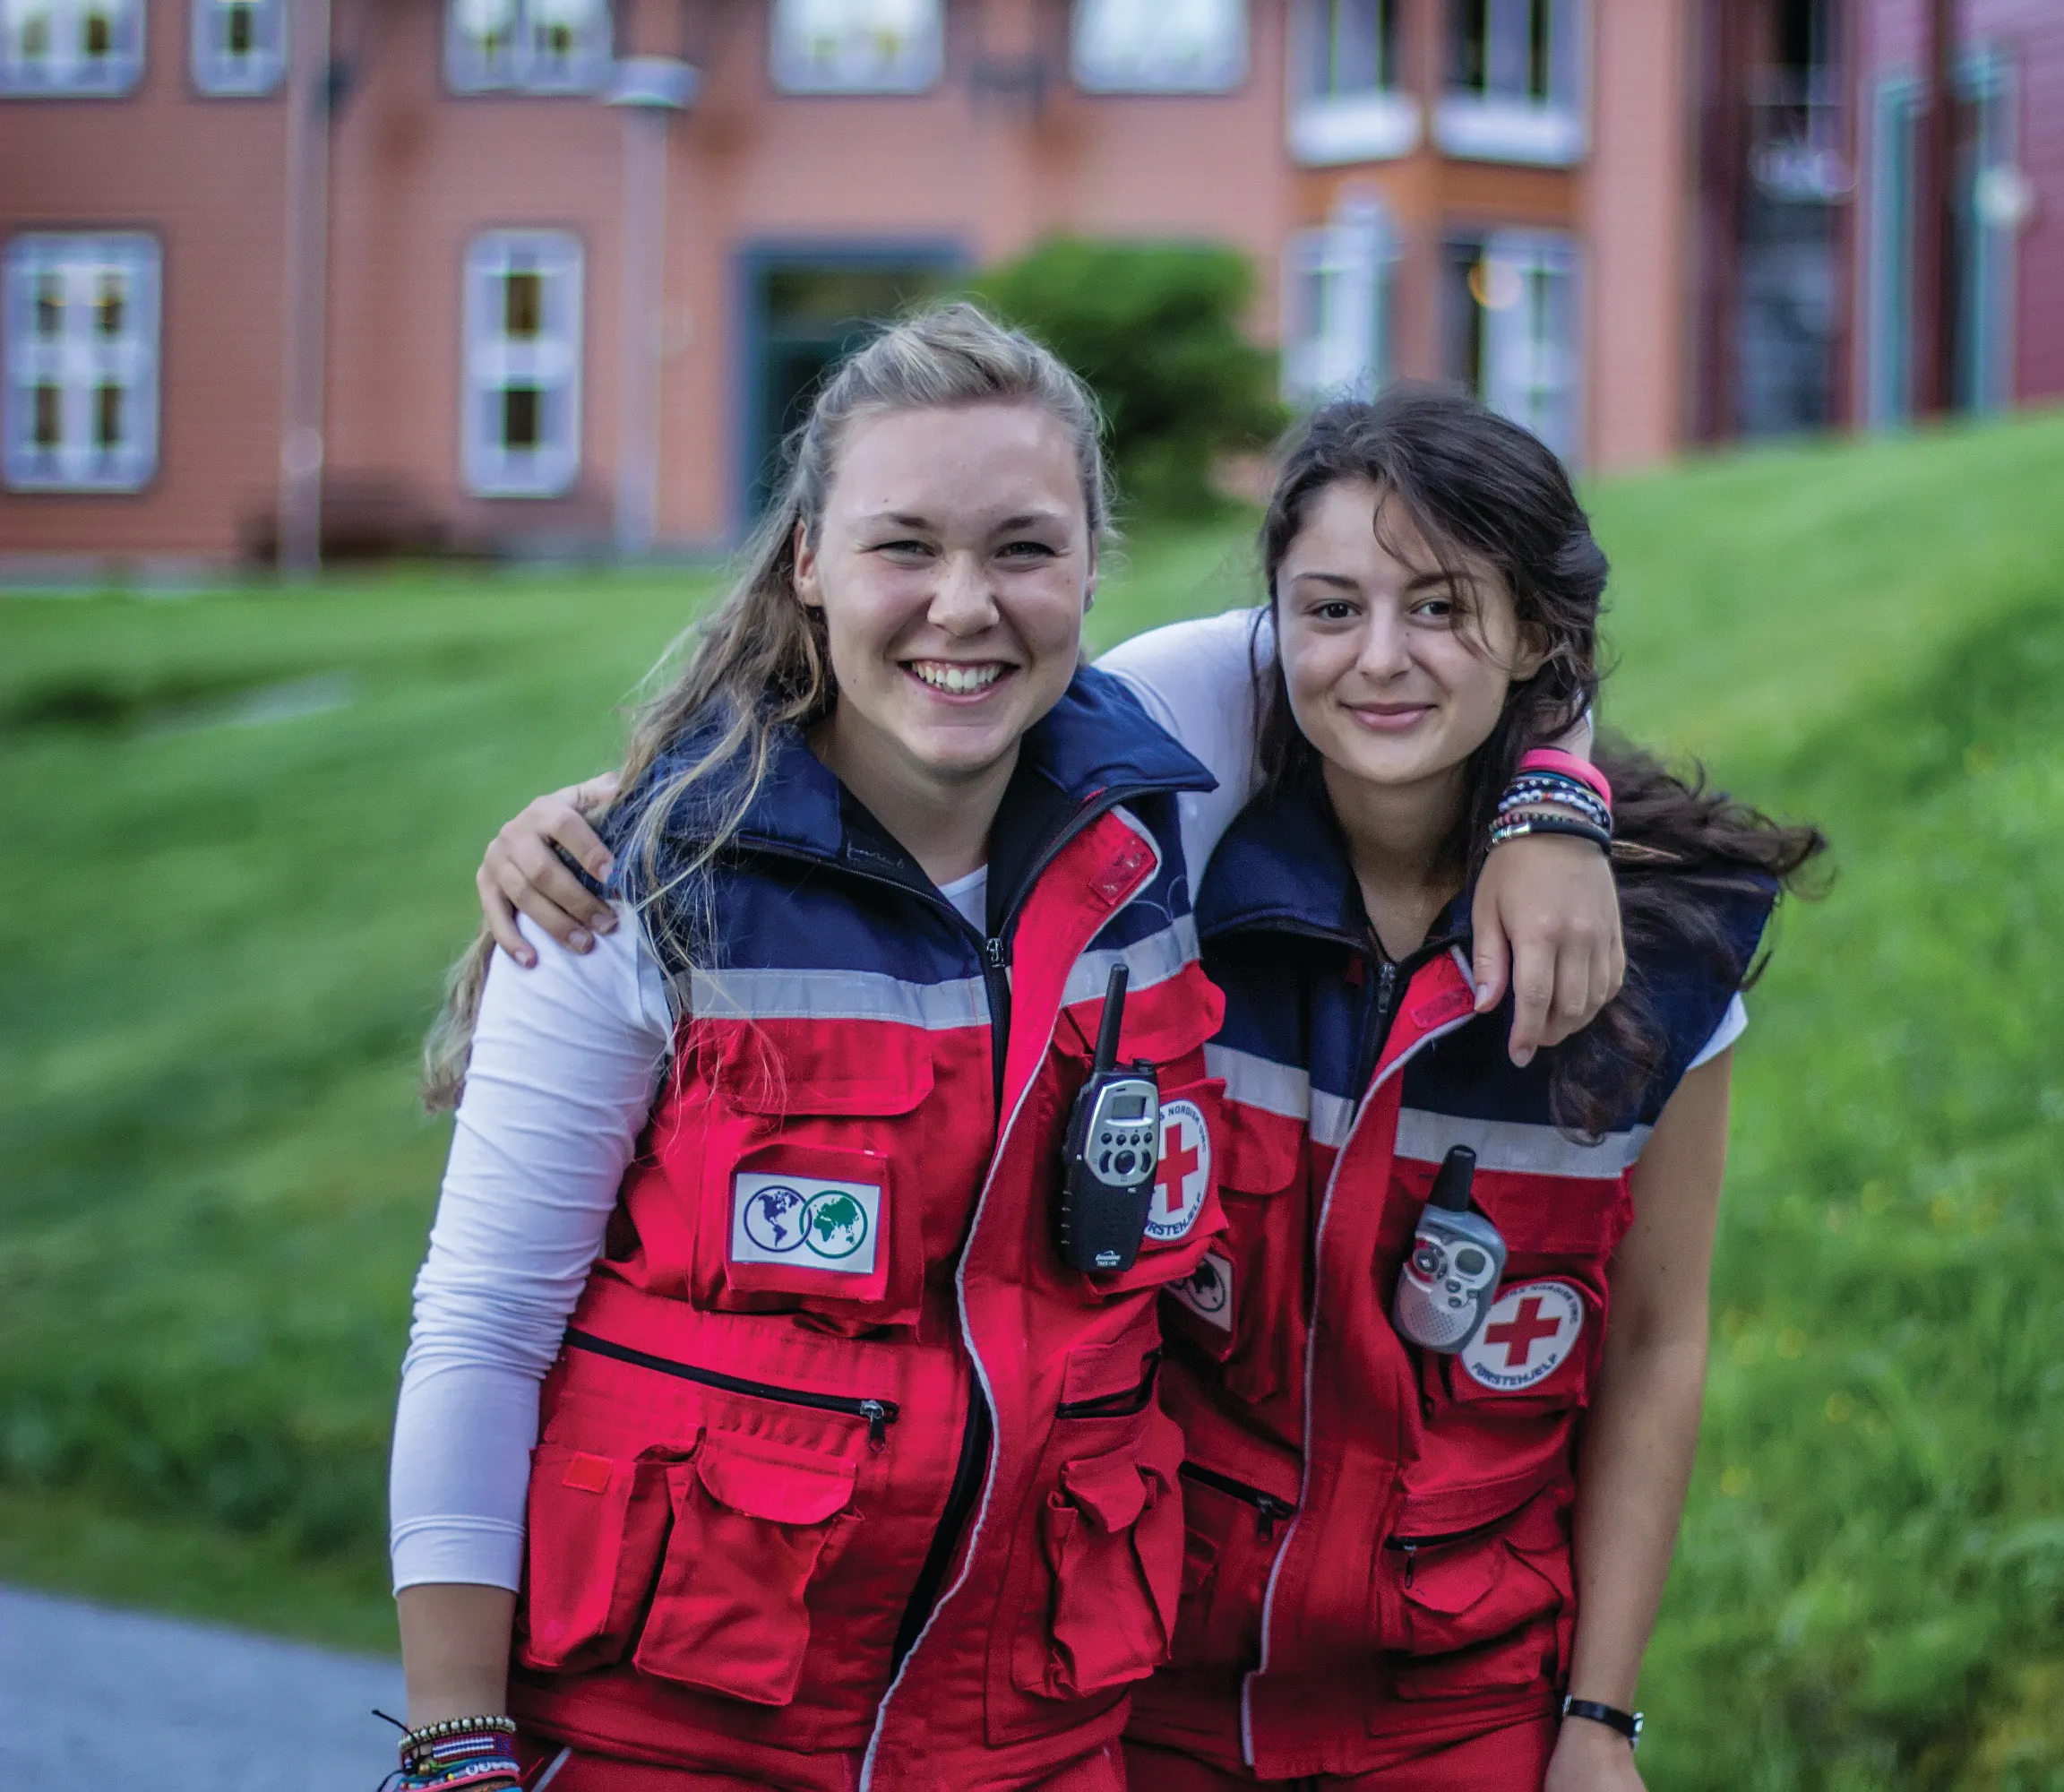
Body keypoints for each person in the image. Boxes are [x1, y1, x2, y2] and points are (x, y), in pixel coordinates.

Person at [398, 307, 1627, 1792]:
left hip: (1025, 1743)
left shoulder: (1165, 762)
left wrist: (1554, 799)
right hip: (674, 1735)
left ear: (1092, 569)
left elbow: (1447, 626)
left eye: (1026, 550)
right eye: (902, 545)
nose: (964, 606)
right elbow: (481, 1329)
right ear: (808, 562)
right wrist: (456, 1747)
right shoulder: (630, 880)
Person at [1114, 390, 1819, 1791]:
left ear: (1539, 640)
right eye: (1331, 610)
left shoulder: (1664, 952)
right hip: (1137, 1695)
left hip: (1458, 1713)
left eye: (1440, 608)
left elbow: (1656, 1347)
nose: (1381, 659)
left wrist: (1599, 1723)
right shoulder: (1162, 883)